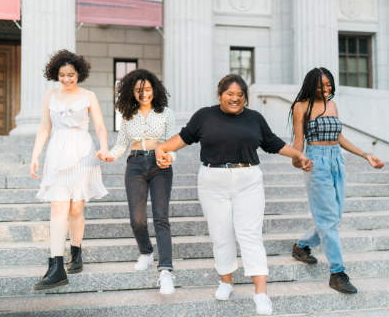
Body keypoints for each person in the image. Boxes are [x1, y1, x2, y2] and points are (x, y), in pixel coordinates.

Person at [155, 74, 312, 316]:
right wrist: (161, 147)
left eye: (240, 95)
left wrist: (298, 155)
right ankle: (226, 282)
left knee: (250, 235)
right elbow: (183, 138)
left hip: (248, 180)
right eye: (230, 94)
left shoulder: (254, 119)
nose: (235, 98)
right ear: (220, 95)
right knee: (221, 235)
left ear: (245, 98)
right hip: (212, 181)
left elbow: (272, 143)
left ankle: (261, 294)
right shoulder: (204, 116)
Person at [289, 67, 384, 294]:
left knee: (334, 214)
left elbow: (339, 137)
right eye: (321, 85)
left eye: (329, 84)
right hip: (316, 161)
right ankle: (337, 273)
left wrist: (365, 155)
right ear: (311, 85)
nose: (326, 89)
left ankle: (302, 247)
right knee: (329, 217)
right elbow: (298, 140)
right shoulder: (301, 107)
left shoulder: (332, 105)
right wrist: (297, 160)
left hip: (336, 160)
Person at [30, 50, 110, 290]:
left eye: (71, 75)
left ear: (79, 74)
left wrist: (104, 147)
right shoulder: (50, 95)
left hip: (83, 153)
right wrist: (35, 156)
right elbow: (45, 127)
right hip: (57, 152)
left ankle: (76, 252)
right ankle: (56, 266)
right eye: (62, 75)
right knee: (58, 206)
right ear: (56, 74)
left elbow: (99, 125)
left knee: (76, 209)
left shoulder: (89, 96)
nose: (66, 79)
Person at [107, 69, 177, 295]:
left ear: (154, 90)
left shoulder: (166, 113)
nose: (144, 94)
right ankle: (146, 252)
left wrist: (169, 157)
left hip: (160, 166)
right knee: (137, 220)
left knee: (161, 218)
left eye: (147, 89)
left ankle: (165, 270)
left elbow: (172, 143)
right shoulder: (127, 115)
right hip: (135, 165)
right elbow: (121, 145)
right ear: (132, 92)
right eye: (139, 90)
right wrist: (110, 154)